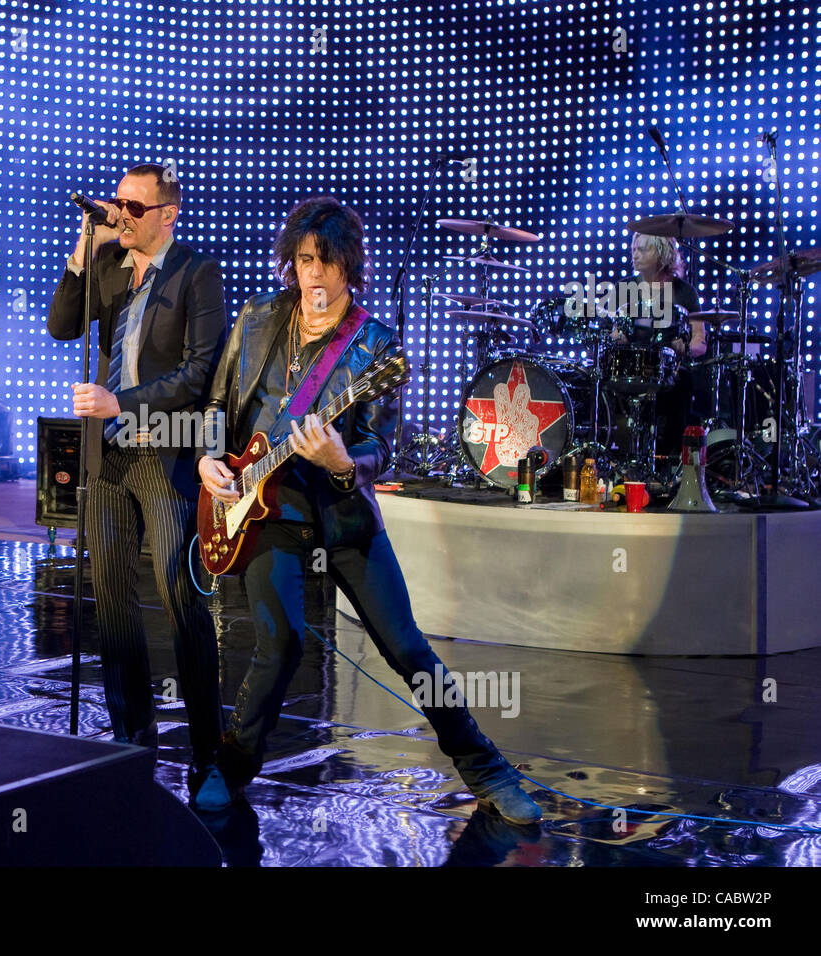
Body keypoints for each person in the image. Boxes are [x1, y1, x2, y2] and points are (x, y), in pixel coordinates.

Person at [195, 196, 541, 823]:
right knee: (281, 643)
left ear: (349, 269)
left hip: (343, 514)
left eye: (327, 263)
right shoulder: (254, 321)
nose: (314, 276)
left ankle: (487, 769)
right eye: (304, 261)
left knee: (408, 648)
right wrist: (207, 459)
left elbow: (383, 445)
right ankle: (230, 764)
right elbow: (217, 408)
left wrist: (341, 464)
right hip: (262, 514)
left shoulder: (375, 345)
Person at [47, 163, 229, 805]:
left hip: (162, 451)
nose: (119, 212)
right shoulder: (110, 267)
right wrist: (85, 245)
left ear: (167, 214)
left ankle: (208, 754)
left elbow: (200, 372)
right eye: (116, 202)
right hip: (108, 458)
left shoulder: (196, 273)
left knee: (180, 598)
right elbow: (63, 326)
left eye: (131, 205)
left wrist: (121, 403)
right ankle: (130, 733)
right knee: (113, 599)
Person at [609, 233, 705, 458]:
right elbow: (613, 334)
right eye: (634, 248)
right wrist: (617, 337)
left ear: (663, 254)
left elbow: (700, 341)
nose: (635, 254)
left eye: (643, 249)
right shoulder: (623, 287)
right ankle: (624, 456)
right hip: (629, 372)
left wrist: (686, 348)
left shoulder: (685, 292)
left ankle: (672, 462)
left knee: (684, 384)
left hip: (670, 374)